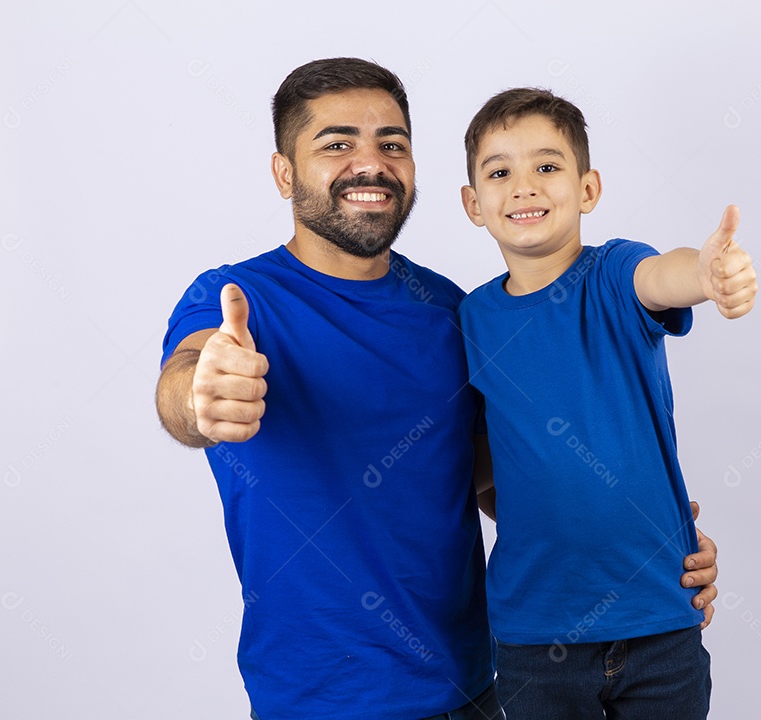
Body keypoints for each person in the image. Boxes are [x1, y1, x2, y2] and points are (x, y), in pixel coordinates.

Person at [155, 58, 720, 719]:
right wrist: (203, 391)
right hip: (314, 702)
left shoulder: (456, 314)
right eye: (337, 143)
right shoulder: (237, 301)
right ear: (285, 173)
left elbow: (498, 483)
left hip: (475, 691)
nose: (371, 163)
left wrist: (646, 548)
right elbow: (185, 386)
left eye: (391, 144)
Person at [457, 87, 757, 719]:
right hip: (534, 640)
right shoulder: (472, 320)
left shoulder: (616, 274)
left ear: (588, 189)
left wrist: (704, 274)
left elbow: (661, 276)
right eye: (499, 172)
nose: (523, 187)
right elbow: (488, 467)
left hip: (659, 627)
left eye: (546, 167)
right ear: (473, 204)